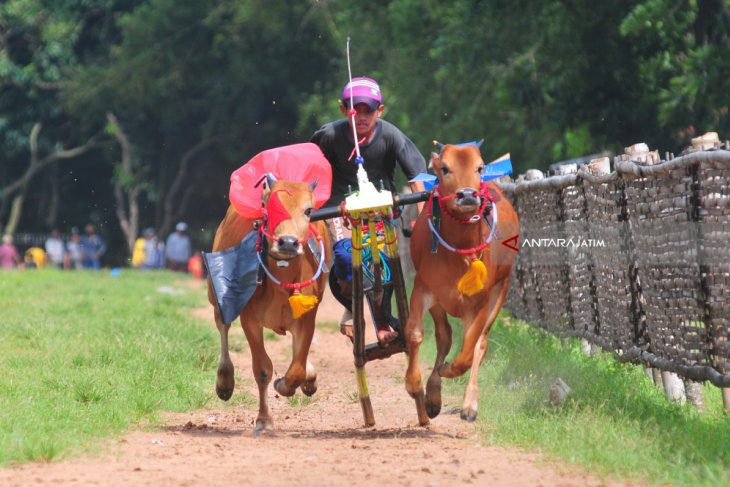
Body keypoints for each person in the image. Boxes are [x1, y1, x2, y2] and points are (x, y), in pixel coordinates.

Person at [311, 76, 427, 345]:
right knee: (344, 256)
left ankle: (384, 321)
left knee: (383, 265)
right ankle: (351, 307)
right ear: (343, 109)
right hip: (339, 210)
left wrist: (422, 219)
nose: (362, 117)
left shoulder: (390, 135)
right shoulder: (329, 136)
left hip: (382, 210)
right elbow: (310, 169)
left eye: (369, 111)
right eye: (355, 110)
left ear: (380, 111)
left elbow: (417, 178)